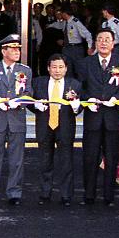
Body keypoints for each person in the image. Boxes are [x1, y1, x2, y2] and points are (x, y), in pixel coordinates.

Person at [77, 29, 119, 206]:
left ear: (114, 42)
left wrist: (117, 98)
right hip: (92, 118)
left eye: (107, 39)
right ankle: (89, 195)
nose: (103, 42)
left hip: (112, 118)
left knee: (111, 157)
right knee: (90, 157)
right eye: (100, 39)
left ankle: (109, 196)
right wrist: (87, 98)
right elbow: (80, 87)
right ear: (95, 42)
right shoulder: (85, 63)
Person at [0, 34, 33, 205]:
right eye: (13, 49)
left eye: (18, 48)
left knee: (16, 158)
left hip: (17, 118)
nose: (17, 51)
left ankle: (14, 193)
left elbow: (28, 93)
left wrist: (19, 101)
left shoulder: (25, 70)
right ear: (4, 51)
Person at [31, 54, 81, 205]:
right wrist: (36, 105)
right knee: (45, 161)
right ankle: (45, 194)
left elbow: (79, 107)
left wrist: (76, 106)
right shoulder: (39, 82)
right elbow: (29, 101)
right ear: (48, 68)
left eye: (61, 67)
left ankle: (66, 195)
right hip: (45, 125)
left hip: (65, 126)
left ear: (66, 68)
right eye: (54, 67)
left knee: (66, 162)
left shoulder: (75, 84)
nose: (57, 70)